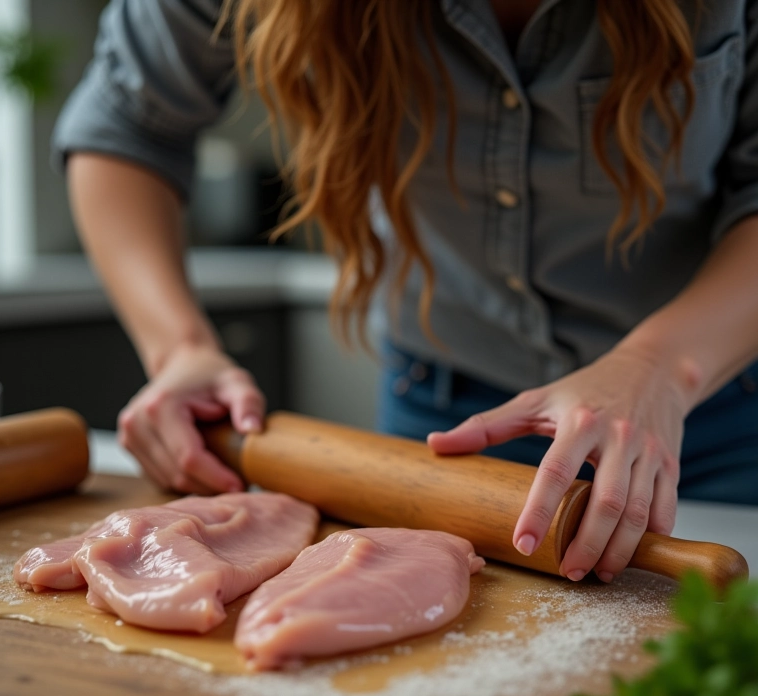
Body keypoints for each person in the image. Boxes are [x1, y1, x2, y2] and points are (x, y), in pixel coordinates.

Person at [54, 0, 758, 585]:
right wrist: (179, 348)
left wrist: (657, 369)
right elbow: (126, 129)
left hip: (715, 414)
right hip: (441, 426)